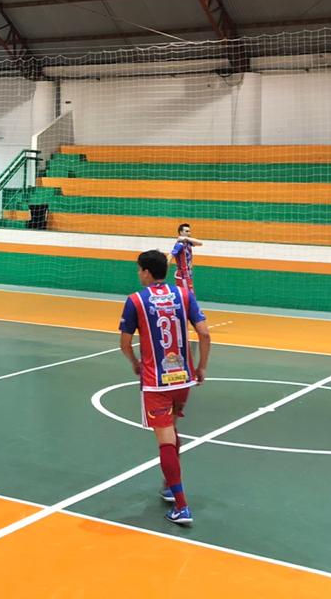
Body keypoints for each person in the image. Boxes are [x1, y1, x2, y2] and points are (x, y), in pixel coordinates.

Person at [119, 249, 212, 527]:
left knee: (165, 440)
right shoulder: (184, 295)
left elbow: (124, 343)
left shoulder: (135, 300)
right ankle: (170, 487)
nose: (138, 274)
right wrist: (201, 366)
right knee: (171, 432)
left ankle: (182, 507)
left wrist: (136, 363)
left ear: (147, 272)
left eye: (139, 270)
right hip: (182, 378)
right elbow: (205, 333)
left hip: (156, 381)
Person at [169, 222, 202, 301]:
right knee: (188, 298)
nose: (189, 233)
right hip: (182, 275)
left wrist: (186, 238)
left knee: (187, 297)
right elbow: (171, 255)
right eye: (186, 231)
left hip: (188, 274)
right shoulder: (179, 245)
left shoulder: (188, 242)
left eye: (189, 231)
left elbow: (200, 243)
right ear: (181, 232)